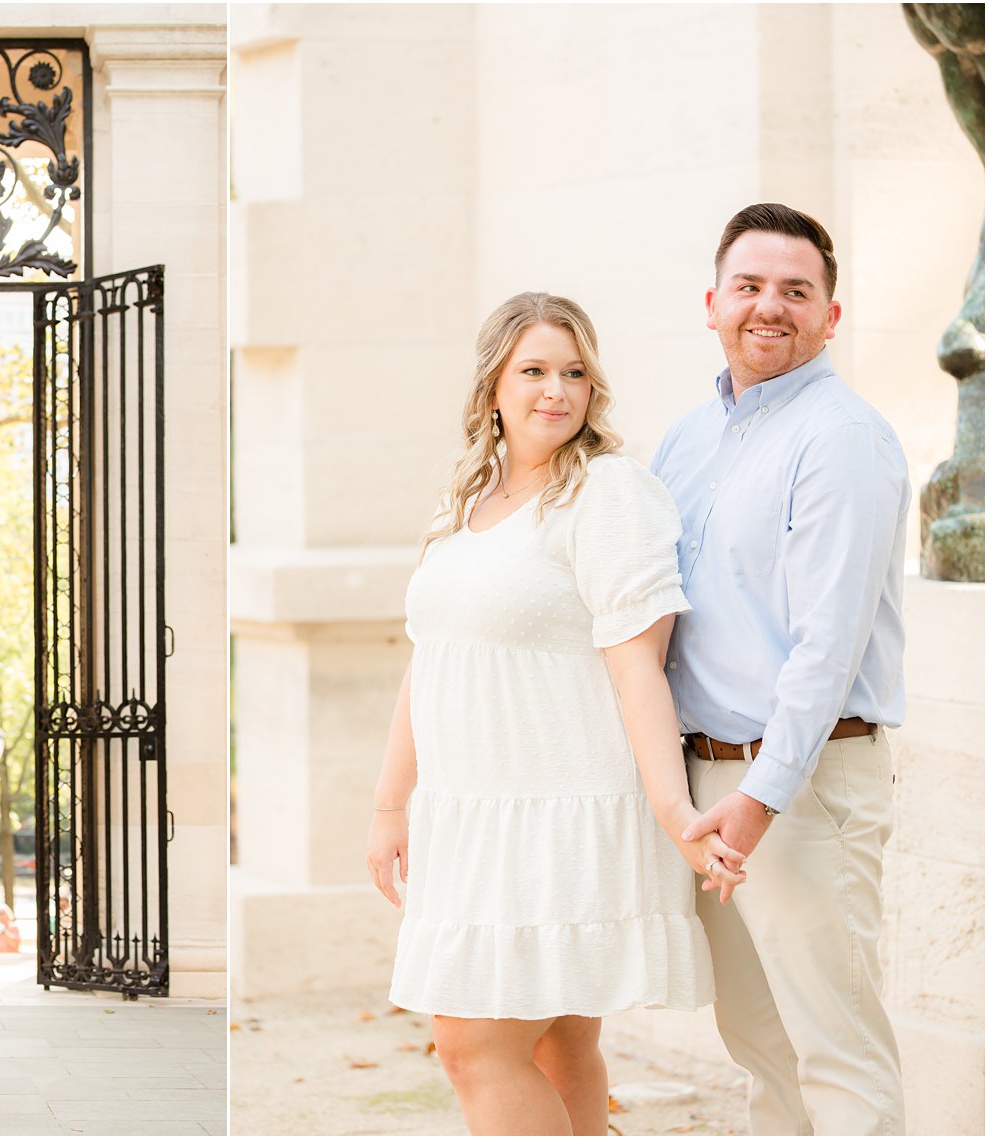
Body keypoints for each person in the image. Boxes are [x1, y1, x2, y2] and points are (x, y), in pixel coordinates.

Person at [367, 292, 745, 1136]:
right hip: (472, 812)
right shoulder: (464, 500)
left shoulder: (608, 491)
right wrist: (392, 804)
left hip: (565, 811)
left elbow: (638, 662)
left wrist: (673, 808)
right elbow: (430, 658)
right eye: (534, 370)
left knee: (470, 1045)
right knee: (558, 1044)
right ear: (492, 385)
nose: (557, 390)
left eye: (574, 372)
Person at [655, 202, 909, 1135]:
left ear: (830, 315)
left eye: (796, 291)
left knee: (837, 1052)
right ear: (713, 302)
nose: (771, 307)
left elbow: (828, 647)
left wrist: (758, 800)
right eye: (750, 286)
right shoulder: (686, 441)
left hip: (799, 790)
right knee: (764, 1047)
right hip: (708, 786)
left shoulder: (842, 436)